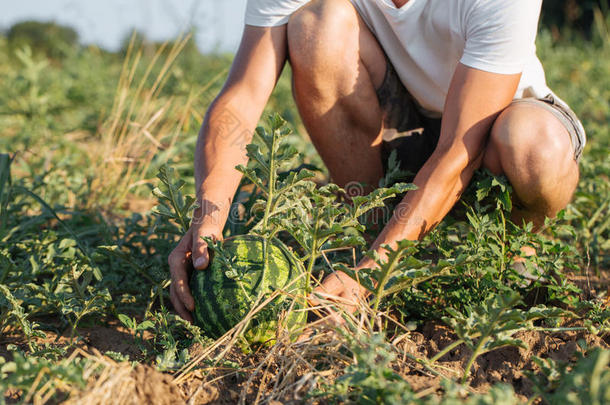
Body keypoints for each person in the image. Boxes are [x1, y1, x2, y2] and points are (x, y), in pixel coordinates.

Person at [168, 0, 586, 322]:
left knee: (533, 147)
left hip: (493, 132)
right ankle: (366, 230)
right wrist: (209, 211)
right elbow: (241, 98)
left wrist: (373, 274)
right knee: (316, 24)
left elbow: (460, 150)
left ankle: (512, 249)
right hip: (403, 129)